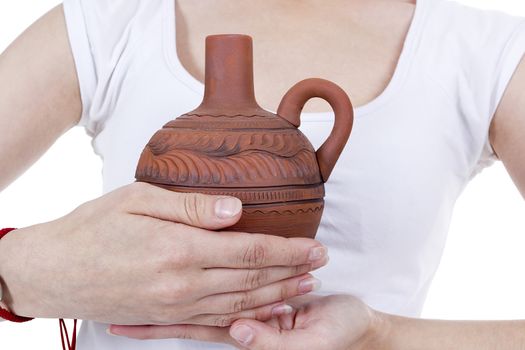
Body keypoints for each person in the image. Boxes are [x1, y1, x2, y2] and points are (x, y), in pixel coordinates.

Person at [0, 0, 524, 349]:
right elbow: (22, 272)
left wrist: (378, 335)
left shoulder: (489, 50)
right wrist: (22, 271)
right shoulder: (105, 23)